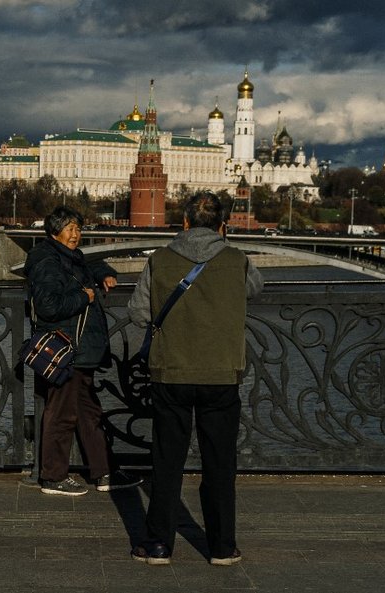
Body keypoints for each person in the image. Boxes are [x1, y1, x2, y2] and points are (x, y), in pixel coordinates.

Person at [127, 192, 263, 566]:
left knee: (167, 460)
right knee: (220, 463)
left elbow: (139, 314)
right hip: (221, 374)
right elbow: (254, 289)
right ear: (223, 225)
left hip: (169, 373)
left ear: (184, 223)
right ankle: (221, 547)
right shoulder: (238, 260)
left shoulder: (159, 260)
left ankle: (157, 545)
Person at [24, 206, 143, 496]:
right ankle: (53, 476)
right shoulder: (45, 261)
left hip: (80, 350)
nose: (76, 234)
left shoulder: (67, 256)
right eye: (70, 228)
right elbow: (49, 306)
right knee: (62, 412)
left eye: (78, 228)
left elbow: (86, 267)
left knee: (90, 414)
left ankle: (104, 472)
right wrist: (83, 296)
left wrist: (104, 273)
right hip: (66, 348)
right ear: (55, 232)